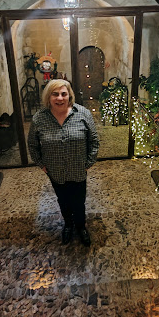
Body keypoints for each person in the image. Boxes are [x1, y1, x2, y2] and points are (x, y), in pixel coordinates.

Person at [27, 79, 100, 246]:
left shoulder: (83, 113)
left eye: (63, 94)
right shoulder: (39, 118)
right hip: (55, 171)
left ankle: (80, 227)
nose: (59, 98)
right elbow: (32, 144)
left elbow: (94, 140)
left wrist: (88, 162)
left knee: (79, 201)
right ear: (48, 96)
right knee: (63, 200)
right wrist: (41, 164)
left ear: (69, 96)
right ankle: (68, 225)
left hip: (78, 169)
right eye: (55, 94)